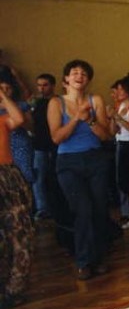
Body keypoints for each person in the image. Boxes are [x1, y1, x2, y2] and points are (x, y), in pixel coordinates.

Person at [47, 60, 112, 280]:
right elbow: (57, 137)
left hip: (95, 159)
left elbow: (105, 136)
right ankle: (84, 261)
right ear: (66, 79)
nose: (79, 76)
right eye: (74, 73)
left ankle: (99, 257)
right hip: (68, 162)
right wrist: (76, 118)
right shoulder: (56, 103)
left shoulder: (96, 100)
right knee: (82, 209)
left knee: (100, 209)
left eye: (84, 73)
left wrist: (91, 119)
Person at [0, 84, 34, 309]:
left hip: (7, 176)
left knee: (20, 234)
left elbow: (19, 119)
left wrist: (2, 95)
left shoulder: (3, 120)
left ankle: (13, 291)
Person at [108, 76, 129, 229]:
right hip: (121, 144)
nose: (118, 92)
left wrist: (117, 117)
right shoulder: (120, 106)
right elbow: (113, 131)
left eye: (121, 89)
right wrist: (112, 119)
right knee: (125, 182)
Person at [0, 72, 34, 187]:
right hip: (3, 146)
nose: (4, 91)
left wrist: (9, 105)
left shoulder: (22, 105)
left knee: (23, 179)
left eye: (7, 88)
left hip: (20, 144)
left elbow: (30, 126)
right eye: (1, 88)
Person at [30, 73, 57, 220]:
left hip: (56, 144)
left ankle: (58, 206)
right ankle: (42, 208)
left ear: (52, 86)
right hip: (39, 144)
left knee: (56, 176)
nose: (41, 88)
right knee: (38, 177)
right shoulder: (36, 103)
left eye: (45, 85)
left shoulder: (58, 102)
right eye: (39, 85)